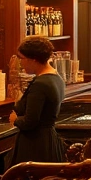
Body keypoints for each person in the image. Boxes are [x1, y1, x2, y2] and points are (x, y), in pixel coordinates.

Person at [8, 37, 66, 166]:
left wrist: (15, 120)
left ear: (33, 59)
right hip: (49, 141)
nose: (20, 63)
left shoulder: (40, 84)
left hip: (35, 145)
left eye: (21, 58)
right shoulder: (56, 77)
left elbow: (30, 121)